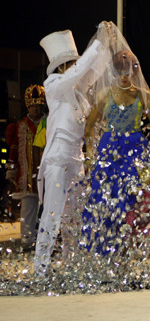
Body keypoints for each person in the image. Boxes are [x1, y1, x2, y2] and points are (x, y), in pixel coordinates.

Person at [35, 25, 110, 276]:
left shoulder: (77, 91)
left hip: (76, 157)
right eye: (73, 63)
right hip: (58, 156)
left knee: (74, 216)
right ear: (65, 65)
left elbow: (93, 72)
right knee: (53, 213)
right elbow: (77, 74)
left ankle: (70, 263)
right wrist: (96, 45)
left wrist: (105, 43)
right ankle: (41, 267)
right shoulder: (53, 84)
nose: (77, 67)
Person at [81, 39, 150, 255]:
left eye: (128, 73)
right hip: (110, 150)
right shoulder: (104, 95)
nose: (124, 77)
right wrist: (89, 156)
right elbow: (88, 128)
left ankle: (129, 248)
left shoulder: (143, 95)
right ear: (113, 73)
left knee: (134, 198)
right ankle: (107, 247)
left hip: (135, 150)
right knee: (107, 197)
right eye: (120, 73)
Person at [5, 85, 46, 251]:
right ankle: (27, 241)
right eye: (33, 105)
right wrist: (11, 174)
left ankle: (45, 241)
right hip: (27, 176)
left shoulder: (49, 122)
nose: (36, 108)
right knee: (28, 209)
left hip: (47, 174)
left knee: (47, 209)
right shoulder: (20, 126)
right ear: (28, 106)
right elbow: (14, 151)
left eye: (39, 105)